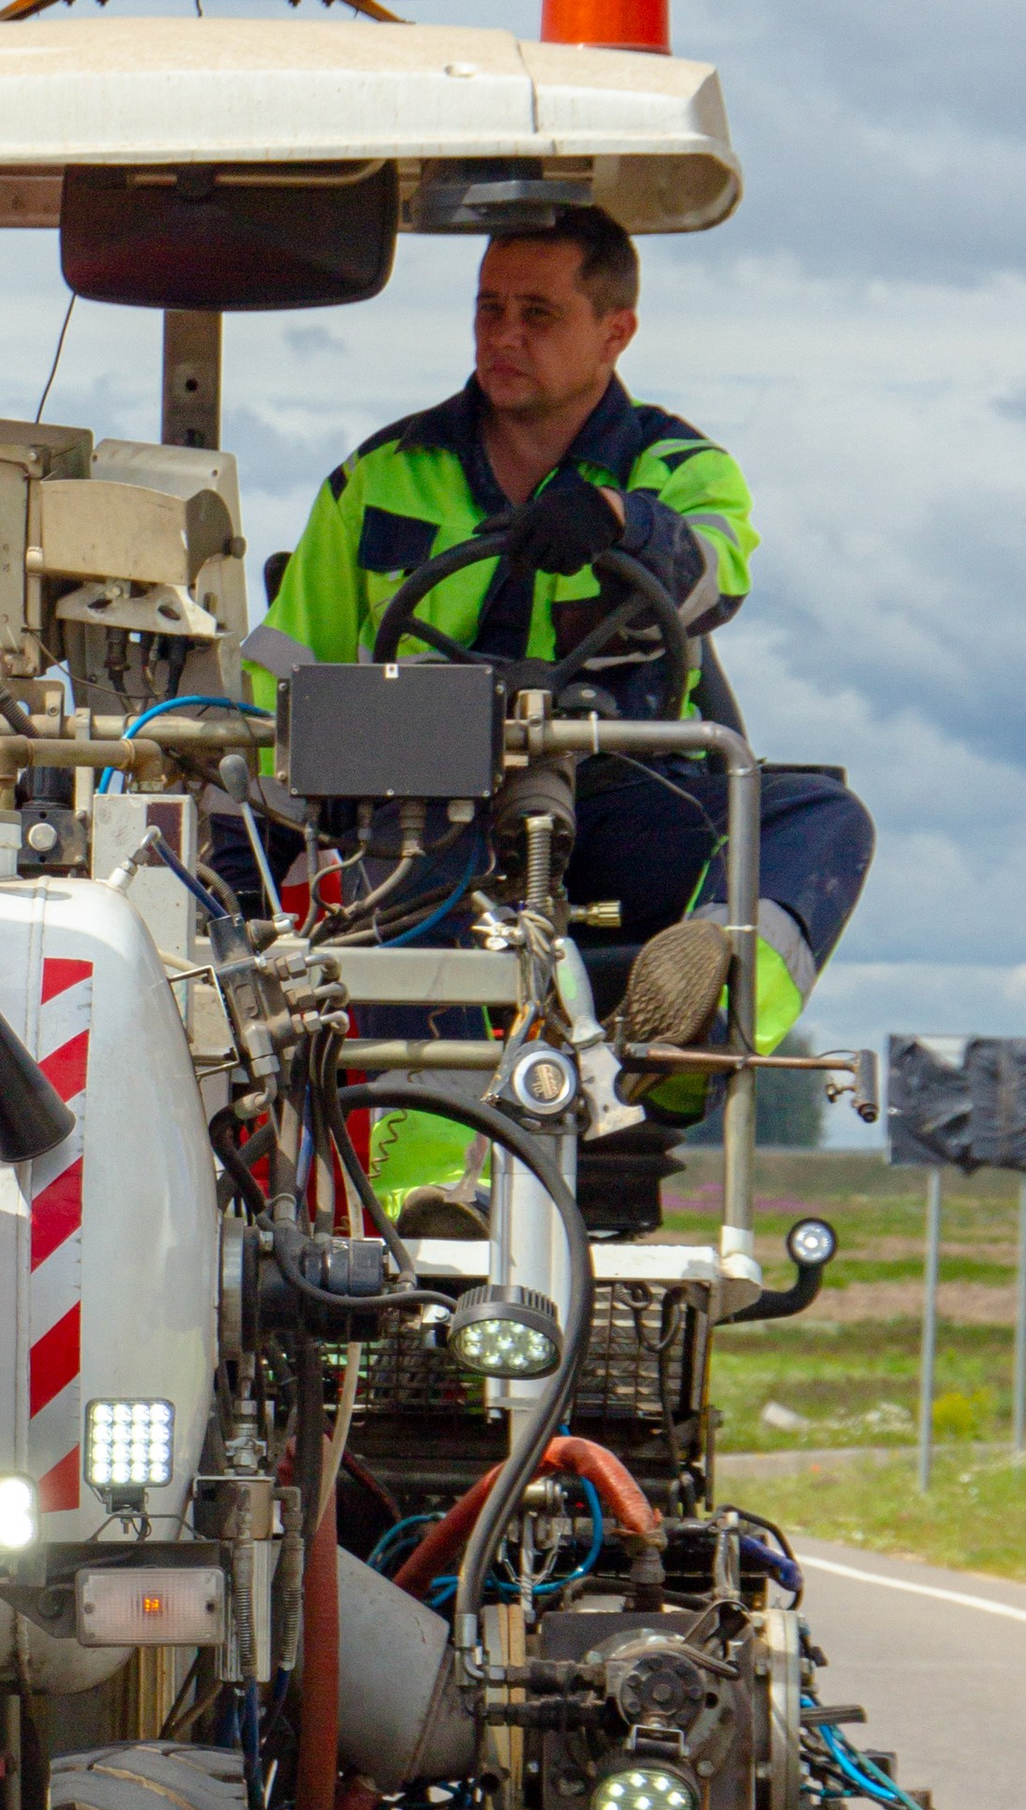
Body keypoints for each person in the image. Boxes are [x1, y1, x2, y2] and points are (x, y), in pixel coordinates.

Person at [245, 205, 872, 1179]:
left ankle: (683, 1031)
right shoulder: (379, 479)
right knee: (403, 877)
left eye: (536, 313)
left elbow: (715, 570)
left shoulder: (679, 470)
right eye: (487, 308)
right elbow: (281, 680)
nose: (502, 336)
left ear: (613, 331)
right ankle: (431, 1191)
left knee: (820, 818)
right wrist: (254, 850)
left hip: (615, 812)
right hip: (419, 816)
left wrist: (624, 523)